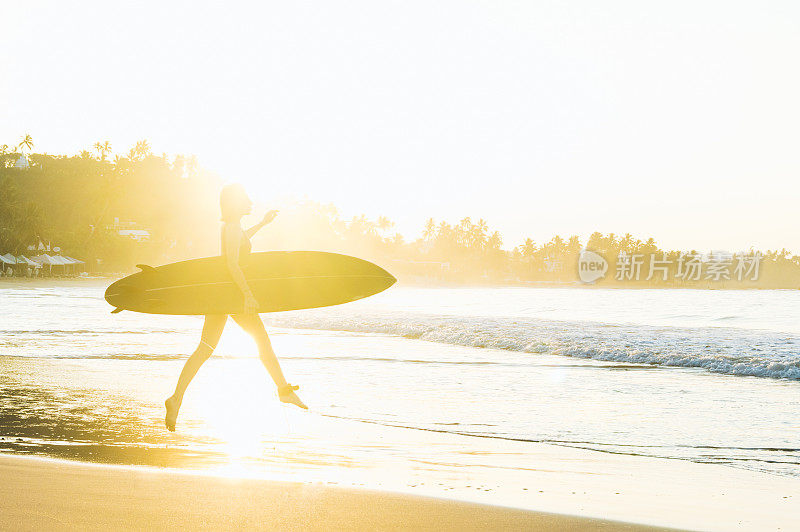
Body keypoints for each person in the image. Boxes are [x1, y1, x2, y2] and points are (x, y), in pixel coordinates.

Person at [165, 184, 306, 431]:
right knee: (262, 340)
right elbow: (232, 263)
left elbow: (240, 242)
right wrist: (248, 295)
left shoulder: (234, 228)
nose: (250, 200)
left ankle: (176, 398)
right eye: (245, 198)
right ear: (234, 203)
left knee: (206, 348)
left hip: (220, 295)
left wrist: (262, 223)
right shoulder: (231, 228)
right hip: (232, 295)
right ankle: (283, 389)